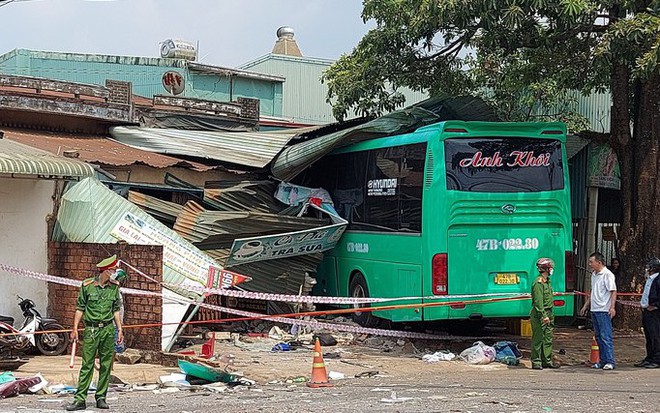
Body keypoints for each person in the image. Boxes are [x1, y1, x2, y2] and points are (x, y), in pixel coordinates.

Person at [65, 255, 124, 411]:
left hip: (107, 329)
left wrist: (120, 330)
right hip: (91, 330)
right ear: (105, 271)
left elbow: (116, 310)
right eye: (112, 270)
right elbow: (80, 308)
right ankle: (80, 399)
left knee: (106, 365)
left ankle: (101, 397)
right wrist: (75, 328)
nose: (114, 272)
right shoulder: (87, 285)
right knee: (87, 365)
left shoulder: (114, 287)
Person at [580, 252, 617, 370]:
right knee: (598, 337)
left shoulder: (607, 275)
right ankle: (602, 360)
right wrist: (586, 306)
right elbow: (593, 292)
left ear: (599, 262)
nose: (590, 264)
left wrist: (612, 307)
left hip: (603, 309)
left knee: (606, 336)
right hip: (594, 309)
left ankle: (610, 361)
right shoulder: (594, 275)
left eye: (591, 262)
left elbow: (613, 291)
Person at [530, 258, 558, 369]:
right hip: (540, 314)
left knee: (548, 338)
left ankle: (546, 360)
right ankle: (536, 361)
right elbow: (538, 302)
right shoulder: (538, 283)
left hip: (549, 312)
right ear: (546, 269)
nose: (552, 269)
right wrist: (544, 316)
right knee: (538, 338)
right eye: (550, 267)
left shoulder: (547, 281)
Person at [635, 257, 660, 368]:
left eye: (649, 267)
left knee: (656, 336)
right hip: (646, 311)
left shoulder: (658, 279)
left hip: (655, 312)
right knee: (649, 336)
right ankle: (649, 357)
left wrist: (655, 306)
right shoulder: (649, 279)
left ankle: (657, 359)